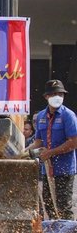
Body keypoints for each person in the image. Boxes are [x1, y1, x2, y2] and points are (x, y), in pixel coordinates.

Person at [27, 79, 77, 220]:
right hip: (47, 171)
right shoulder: (42, 116)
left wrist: (50, 152)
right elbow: (38, 141)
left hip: (64, 169)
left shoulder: (69, 116)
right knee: (49, 205)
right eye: (53, 94)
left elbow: (74, 142)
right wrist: (24, 152)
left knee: (63, 206)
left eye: (60, 94)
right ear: (46, 97)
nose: (57, 97)